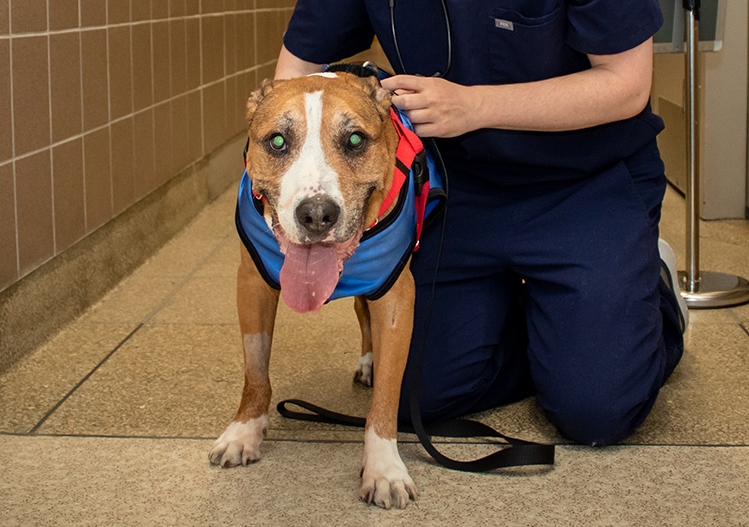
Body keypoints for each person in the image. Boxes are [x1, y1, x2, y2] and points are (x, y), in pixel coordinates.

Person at [273, 0, 687, 446]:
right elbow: (295, 72)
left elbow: (627, 85)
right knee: (418, 398)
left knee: (599, 409)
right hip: (457, 185)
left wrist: (474, 106)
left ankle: (647, 292)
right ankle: (551, 321)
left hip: (586, 181)